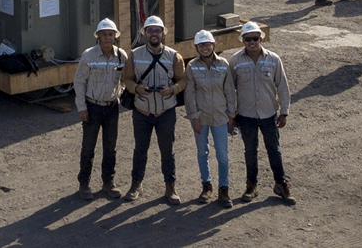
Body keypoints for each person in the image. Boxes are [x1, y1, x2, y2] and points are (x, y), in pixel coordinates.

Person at [121, 16, 187, 205]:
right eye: (150, 30)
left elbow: (183, 80)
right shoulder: (134, 55)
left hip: (166, 111)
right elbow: (126, 79)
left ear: (163, 33)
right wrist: (136, 89)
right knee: (140, 149)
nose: (154, 34)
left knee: (168, 150)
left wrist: (172, 90)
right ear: (144, 34)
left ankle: (170, 187)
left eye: (157, 30)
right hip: (142, 111)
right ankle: (135, 185)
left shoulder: (174, 56)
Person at [229, 22, 296, 205]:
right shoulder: (235, 61)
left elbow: (282, 86)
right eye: (248, 39)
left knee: (274, 150)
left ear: (261, 39)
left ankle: (281, 184)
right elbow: (229, 88)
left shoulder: (273, 59)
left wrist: (284, 112)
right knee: (250, 151)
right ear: (242, 40)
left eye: (255, 38)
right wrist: (231, 113)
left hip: (268, 114)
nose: (252, 42)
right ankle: (251, 185)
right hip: (246, 115)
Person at [73, 18, 128, 200]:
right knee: (88, 147)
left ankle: (108, 182)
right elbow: (80, 82)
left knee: (110, 148)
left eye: (111, 34)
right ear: (98, 37)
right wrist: (82, 107)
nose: (107, 38)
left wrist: (119, 94)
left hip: (111, 108)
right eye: (104, 35)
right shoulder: (88, 56)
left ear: (115, 37)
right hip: (92, 107)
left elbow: (125, 79)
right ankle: (84, 183)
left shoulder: (121, 56)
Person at [184, 30, 236, 208]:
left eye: (207, 44)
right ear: (196, 47)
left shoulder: (223, 64)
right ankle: (206, 186)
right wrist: (194, 117)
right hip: (201, 116)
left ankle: (224, 188)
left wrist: (231, 114)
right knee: (202, 152)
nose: (205, 48)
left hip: (220, 116)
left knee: (222, 155)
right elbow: (189, 94)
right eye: (201, 45)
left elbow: (229, 90)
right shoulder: (191, 66)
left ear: (214, 45)